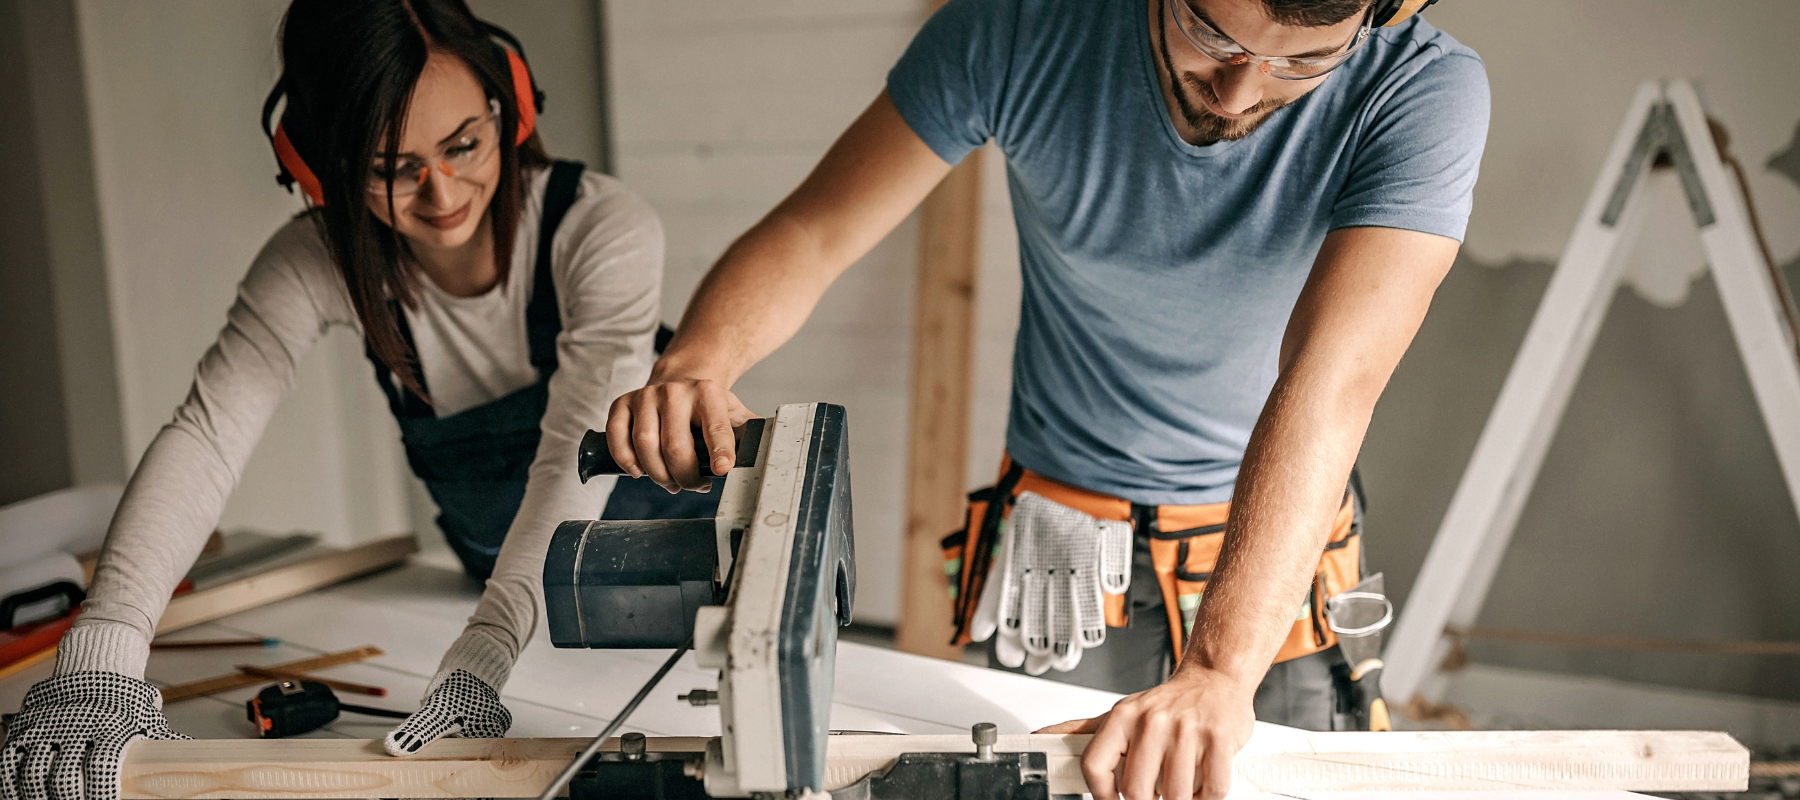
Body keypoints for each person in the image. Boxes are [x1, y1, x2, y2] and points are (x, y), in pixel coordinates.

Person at [605, 0, 1488, 797]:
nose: (1236, 90)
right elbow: (817, 228)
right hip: (1058, 551)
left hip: (1272, 561)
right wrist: (699, 358)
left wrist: (1219, 671)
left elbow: (1331, 380)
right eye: (1210, 34)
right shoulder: (1021, 26)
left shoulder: (1421, 89)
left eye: (1304, 61)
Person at [0, 2, 706, 798]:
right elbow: (207, 438)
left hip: (693, 598)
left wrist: (480, 660)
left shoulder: (600, 229)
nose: (440, 193)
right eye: (387, 168)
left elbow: (568, 456)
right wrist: (103, 651)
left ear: (508, 106)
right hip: (522, 626)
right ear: (315, 166)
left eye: (462, 145)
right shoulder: (320, 263)